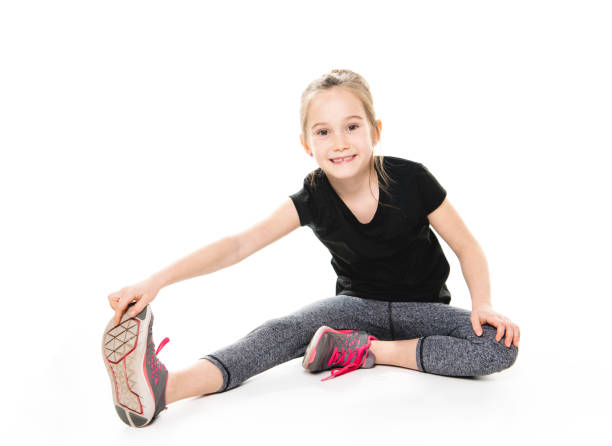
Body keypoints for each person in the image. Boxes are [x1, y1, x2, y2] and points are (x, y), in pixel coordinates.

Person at [102, 69, 520, 428]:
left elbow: (468, 247)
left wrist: (482, 304)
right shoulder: (314, 196)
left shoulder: (412, 179)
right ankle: (163, 388)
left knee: (500, 346)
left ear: (375, 131)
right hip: (354, 309)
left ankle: (363, 350)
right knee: (282, 330)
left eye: (352, 127)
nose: (339, 142)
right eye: (324, 131)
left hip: (423, 312)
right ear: (307, 144)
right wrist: (156, 281)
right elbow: (239, 244)